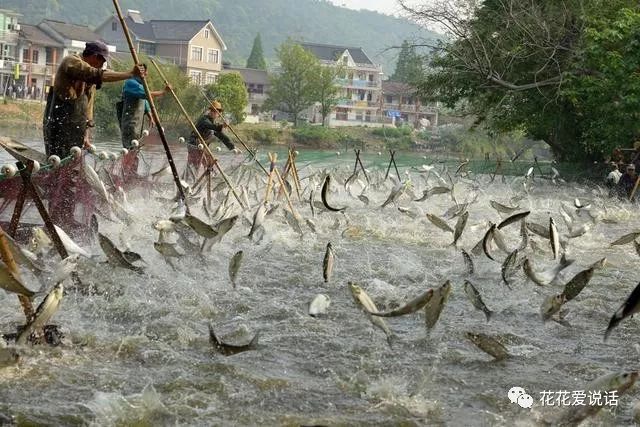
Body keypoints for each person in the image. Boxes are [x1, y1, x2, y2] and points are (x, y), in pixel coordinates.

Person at [43, 40, 142, 158]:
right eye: (102, 61)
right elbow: (97, 74)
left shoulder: (92, 80)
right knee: (56, 157)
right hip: (58, 122)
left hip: (76, 125)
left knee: (73, 160)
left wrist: (86, 136)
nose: (102, 65)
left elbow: (88, 108)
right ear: (95, 57)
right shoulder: (72, 62)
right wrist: (130, 74)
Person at [118, 63, 169, 150]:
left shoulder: (140, 85)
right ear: (139, 72)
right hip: (130, 125)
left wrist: (150, 116)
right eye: (145, 74)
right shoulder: (130, 83)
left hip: (137, 124)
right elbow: (147, 95)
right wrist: (163, 92)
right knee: (130, 149)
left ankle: (132, 162)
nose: (145, 76)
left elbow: (144, 101)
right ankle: (128, 163)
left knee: (136, 149)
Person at [186, 100, 235, 171]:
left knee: (210, 164)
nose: (213, 113)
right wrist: (222, 126)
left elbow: (220, 135)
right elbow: (212, 126)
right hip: (194, 145)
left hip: (202, 148)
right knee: (193, 166)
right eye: (212, 111)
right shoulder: (204, 120)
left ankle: (208, 179)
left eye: (215, 112)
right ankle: (185, 180)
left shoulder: (212, 122)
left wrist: (232, 147)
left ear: (219, 113)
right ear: (210, 111)